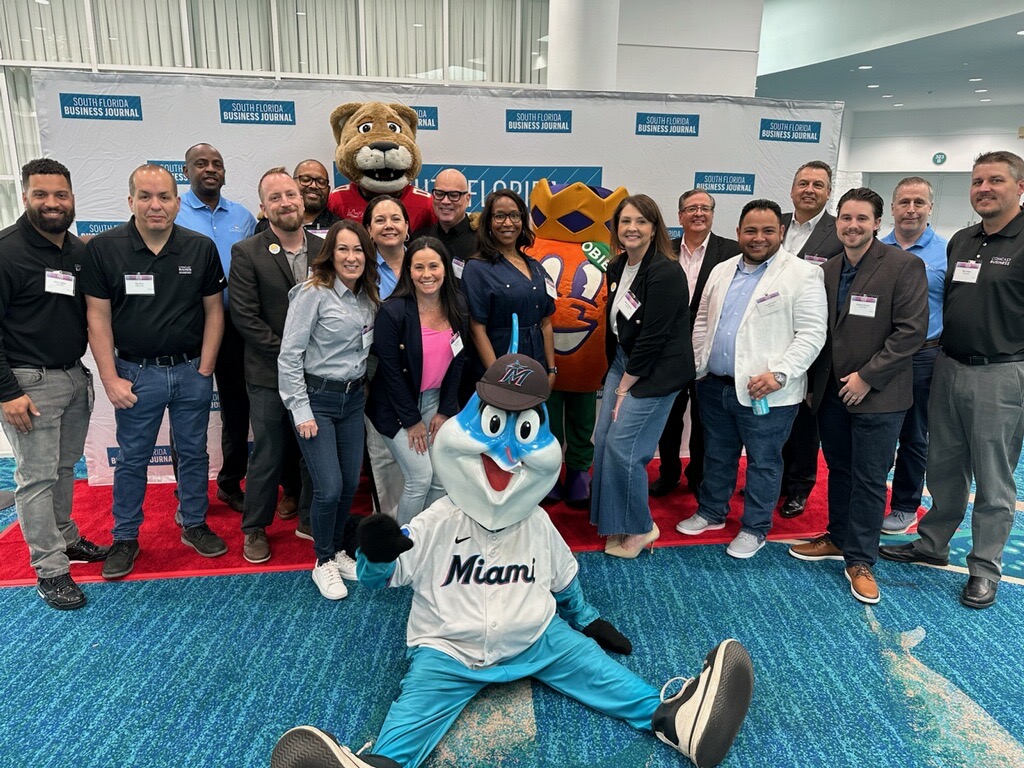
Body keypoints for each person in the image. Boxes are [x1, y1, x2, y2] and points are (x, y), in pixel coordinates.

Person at [269, 351, 754, 768]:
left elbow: (563, 579)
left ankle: (677, 721)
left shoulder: (536, 522)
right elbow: (383, 578)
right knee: (409, 718)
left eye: (522, 430)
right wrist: (374, 556)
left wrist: (587, 620)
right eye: (494, 425)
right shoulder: (439, 518)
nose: (505, 452)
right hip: (448, 649)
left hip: (536, 636)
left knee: (604, 675)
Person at [880, 150, 1024, 610]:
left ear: (1019, 187)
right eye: (978, 180)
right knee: (943, 466)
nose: (984, 188)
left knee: (993, 477)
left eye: (995, 180)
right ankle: (933, 543)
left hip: (1001, 373)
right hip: (947, 364)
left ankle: (984, 567)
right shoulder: (962, 240)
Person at [82, 164, 228, 580]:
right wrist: (109, 377)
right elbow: (97, 316)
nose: (155, 205)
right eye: (145, 196)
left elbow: (214, 310)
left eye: (164, 196)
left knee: (194, 453)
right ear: (130, 201)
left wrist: (206, 366)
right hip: (134, 374)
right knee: (132, 460)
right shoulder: (105, 249)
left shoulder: (200, 248)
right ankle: (125, 536)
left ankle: (194, 522)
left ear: (178, 203)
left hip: (190, 373)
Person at [789, 188, 927, 605]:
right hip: (831, 393)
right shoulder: (826, 270)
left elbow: (910, 333)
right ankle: (837, 535)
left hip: (878, 395)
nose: (852, 226)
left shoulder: (904, 266)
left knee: (868, 477)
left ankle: (861, 560)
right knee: (840, 470)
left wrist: (867, 377)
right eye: (845, 218)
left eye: (861, 219)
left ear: (876, 224)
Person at [676, 199, 827, 558]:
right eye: (751, 230)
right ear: (738, 233)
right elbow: (702, 322)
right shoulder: (722, 269)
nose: (758, 238)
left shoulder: (803, 273)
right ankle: (712, 511)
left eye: (767, 230)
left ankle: (755, 527)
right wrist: (699, 365)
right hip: (715, 385)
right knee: (717, 454)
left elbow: (812, 334)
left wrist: (780, 374)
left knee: (763, 461)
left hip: (767, 391)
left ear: (782, 233)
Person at [0, 158, 108, 610]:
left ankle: (65, 538)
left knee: (64, 471)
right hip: (28, 384)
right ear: (25, 196)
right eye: (41, 195)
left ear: (71, 198)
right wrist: (7, 392)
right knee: (36, 479)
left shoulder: (77, 252)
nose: (51, 203)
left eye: (60, 195)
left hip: (71, 376)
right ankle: (50, 570)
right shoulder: (6, 251)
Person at [278, 220, 380, 600]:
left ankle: (337, 550)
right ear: (330, 253)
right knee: (329, 486)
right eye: (343, 249)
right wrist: (300, 409)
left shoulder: (369, 294)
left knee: (350, 484)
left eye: (358, 250)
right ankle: (322, 562)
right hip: (316, 400)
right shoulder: (313, 293)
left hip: (352, 400)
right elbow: (289, 356)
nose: (351, 257)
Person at [590, 194, 694, 558]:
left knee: (625, 448)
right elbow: (620, 325)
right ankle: (614, 521)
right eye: (625, 222)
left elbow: (654, 337)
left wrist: (623, 386)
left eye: (640, 221)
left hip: (656, 371)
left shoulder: (665, 272)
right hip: (624, 360)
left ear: (654, 228)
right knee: (602, 441)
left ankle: (641, 526)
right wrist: (618, 373)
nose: (631, 228)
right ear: (616, 228)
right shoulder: (617, 267)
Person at [230, 168, 323, 564]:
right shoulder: (247, 251)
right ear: (263, 208)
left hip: (319, 374)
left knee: (314, 452)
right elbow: (245, 318)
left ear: (302, 201)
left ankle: (308, 518)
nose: (285, 202)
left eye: (291, 194)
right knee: (267, 454)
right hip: (269, 374)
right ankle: (254, 529)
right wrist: (290, 357)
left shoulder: (326, 248)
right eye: (275, 198)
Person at [175, 143, 256, 513]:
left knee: (237, 412)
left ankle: (229, 482)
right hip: (190, 329)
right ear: (186, 171)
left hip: (236, 330)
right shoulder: (173, 213)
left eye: (217, 164)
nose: (210, 169)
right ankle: (187, 492)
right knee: (186, 414)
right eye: (201, 164)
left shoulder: (242, 216)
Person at [365, 237, 467, 525]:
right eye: (418, 267)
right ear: (408, 271)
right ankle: (403, 549)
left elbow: (459, 361)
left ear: (445, 269)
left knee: (439, 479)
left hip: (435, 402)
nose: (427, 274)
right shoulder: (392, 312)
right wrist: (411, 421)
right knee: (420, 477)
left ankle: (427, 541)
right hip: (396, 408)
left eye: (433, 266)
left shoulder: (458, 305)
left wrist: (445, 410)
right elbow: (391, 374)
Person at [650, 188, 740, 500]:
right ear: (680, 216)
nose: (698, 213)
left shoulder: (731, 252)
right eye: (691, 208)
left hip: (710, 351)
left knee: (706, 420)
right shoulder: (664, 250)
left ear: (713, 214)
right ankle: (669, 473)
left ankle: (698, 475)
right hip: (668, 353)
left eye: (705, 208)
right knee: (668, 418)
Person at [878, 177, 948, 534]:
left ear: (930, 208)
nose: (911, 209)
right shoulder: (875, 248)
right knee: (876, 431)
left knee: (915, 434)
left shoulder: (948, 251)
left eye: (919, 203)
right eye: (904, 202)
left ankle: (905, 504)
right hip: (880, 357)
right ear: (892, 207)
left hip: (924, 357)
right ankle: (872, 499)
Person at [778, 160, 845, 518]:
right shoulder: (776, 225)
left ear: (828, 193)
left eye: (818, 185)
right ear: (791, 189)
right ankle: (774, 478)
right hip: (771, 335)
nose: (809, 189)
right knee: (773, 415)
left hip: (814, 339)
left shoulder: (840, 232)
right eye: (803, 182)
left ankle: (799, 486)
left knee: (805, 418)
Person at [462, 189, 556, 386]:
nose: (508, 223)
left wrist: (551, 370)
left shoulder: (536, 267)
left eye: (514, 215)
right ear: (488, 222)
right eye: (499, 216)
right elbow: (477, 329)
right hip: (500, 369)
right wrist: (498, 377)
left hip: (536, 369)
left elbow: (546, 322)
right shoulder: (476, 268)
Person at [363, 195, 412, 516]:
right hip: (378, 378)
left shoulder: (426, 262)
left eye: (396, 218)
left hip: (426, 378)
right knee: (384, 457)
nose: (389, 225)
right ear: (368, 230)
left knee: (427, 458)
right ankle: (391, 531)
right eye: (379, 220)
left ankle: (425, 533)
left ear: (408, 227)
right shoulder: (359, 271)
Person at [411, 168, 476, 271]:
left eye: (454, 195)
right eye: (440, 194)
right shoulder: (418, 239)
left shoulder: (483, 241)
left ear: (467, 199)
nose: (445, 201)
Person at [255, 159, 340, 238]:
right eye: (306, 180)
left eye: (321, 182)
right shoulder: (266, 225)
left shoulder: (339, 227)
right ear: (293, 184)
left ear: (328, 189)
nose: (314, 186)